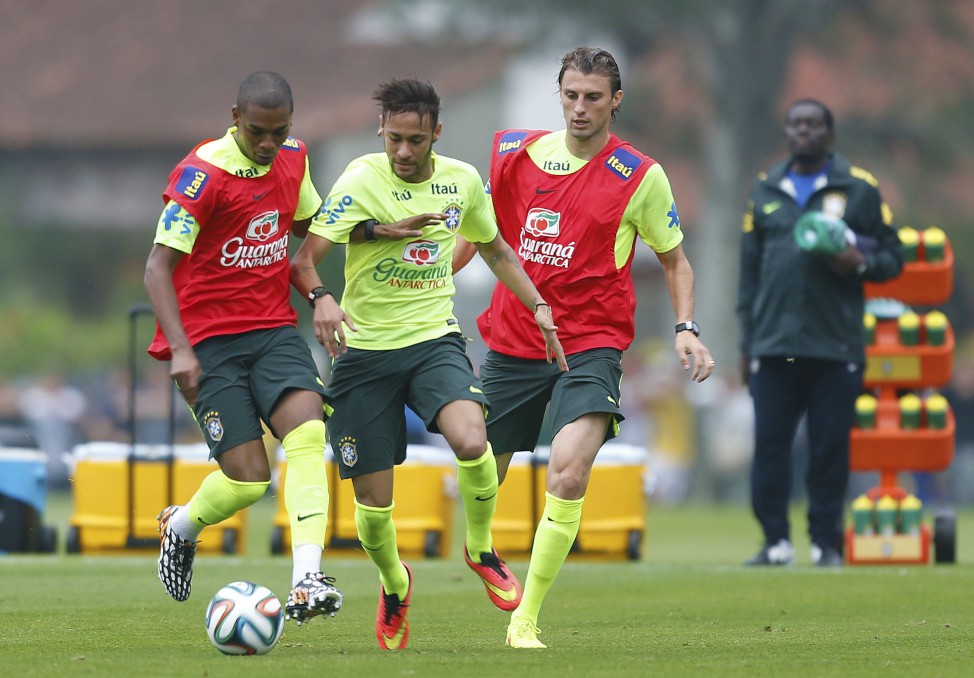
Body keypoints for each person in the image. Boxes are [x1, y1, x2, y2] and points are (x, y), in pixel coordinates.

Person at [289, 77, 566, 651]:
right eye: (394, 138)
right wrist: (323, 299)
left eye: (415, 140)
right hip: (363, 354)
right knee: (373, 506)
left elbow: (495, 249)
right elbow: (304, 260)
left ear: (436, 132)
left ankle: (481, 548)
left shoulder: (461, 181)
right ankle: (395, 584)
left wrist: (538, 305)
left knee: (473, 439)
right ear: (381, 131)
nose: (403, 151)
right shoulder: (360, 179)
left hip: (433, 341)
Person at [453, 46, 715, 649]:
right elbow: (481, 235)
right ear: (560, 94)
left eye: (593, 97)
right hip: (516, 338)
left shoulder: (639, 175)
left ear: (615, 101)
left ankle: (526, 618)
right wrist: (434, 283)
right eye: (570, 95)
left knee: (569, 473)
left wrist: (686, 327)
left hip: (592, 345)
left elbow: (675, 261)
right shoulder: (515, 155)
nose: (579, 107)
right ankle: (478, 545)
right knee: (482, 469)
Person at [143, 71, 342, 624]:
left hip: (273, 329)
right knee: (249, 479)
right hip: (208, 343)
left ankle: (306, 578)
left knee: (307, 434)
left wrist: (367, 238)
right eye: (257, 132)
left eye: (280, 132)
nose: (268, 144)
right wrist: (180, 350)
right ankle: (182, 525)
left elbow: (312, 227)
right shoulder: (201, 175)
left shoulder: (294, 158)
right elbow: (157, 268)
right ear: (235, 118)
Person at [737, 98, 903, 568]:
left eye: (813, 125)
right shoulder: (766, 188)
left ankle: (825, 543)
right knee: (770, 447)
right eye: (795, 124)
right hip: (775, 347)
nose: (803, 131)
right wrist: (746, 344)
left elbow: (893, 256)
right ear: (786, 132)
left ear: (830, 134)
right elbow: (749, 275)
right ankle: (775, 542)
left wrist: (861, 262)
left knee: (829, 449)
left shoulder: (859, 188)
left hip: (835, 346)